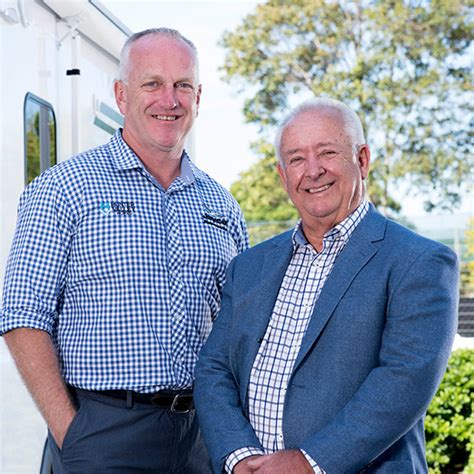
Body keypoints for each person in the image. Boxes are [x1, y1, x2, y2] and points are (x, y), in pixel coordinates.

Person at [0, 28, 248, 473]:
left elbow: (238, 328)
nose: (169, 100)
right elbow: (21, 316)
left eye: (183, 85)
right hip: (102, 434)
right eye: (152, 83)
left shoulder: (221, 204)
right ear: (121, 93)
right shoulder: (63, 188)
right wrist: (72, 433)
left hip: (201, 438)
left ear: (198, 96)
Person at [194, 97, 459, 473]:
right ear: (283, 175)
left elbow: (403, 380)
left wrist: (308, 462)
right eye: (297, 159)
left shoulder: (419, 262)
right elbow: (214, 369)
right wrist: (239, 458)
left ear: (362, 160)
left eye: (327, 152)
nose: (313, 170)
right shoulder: (249, 267)